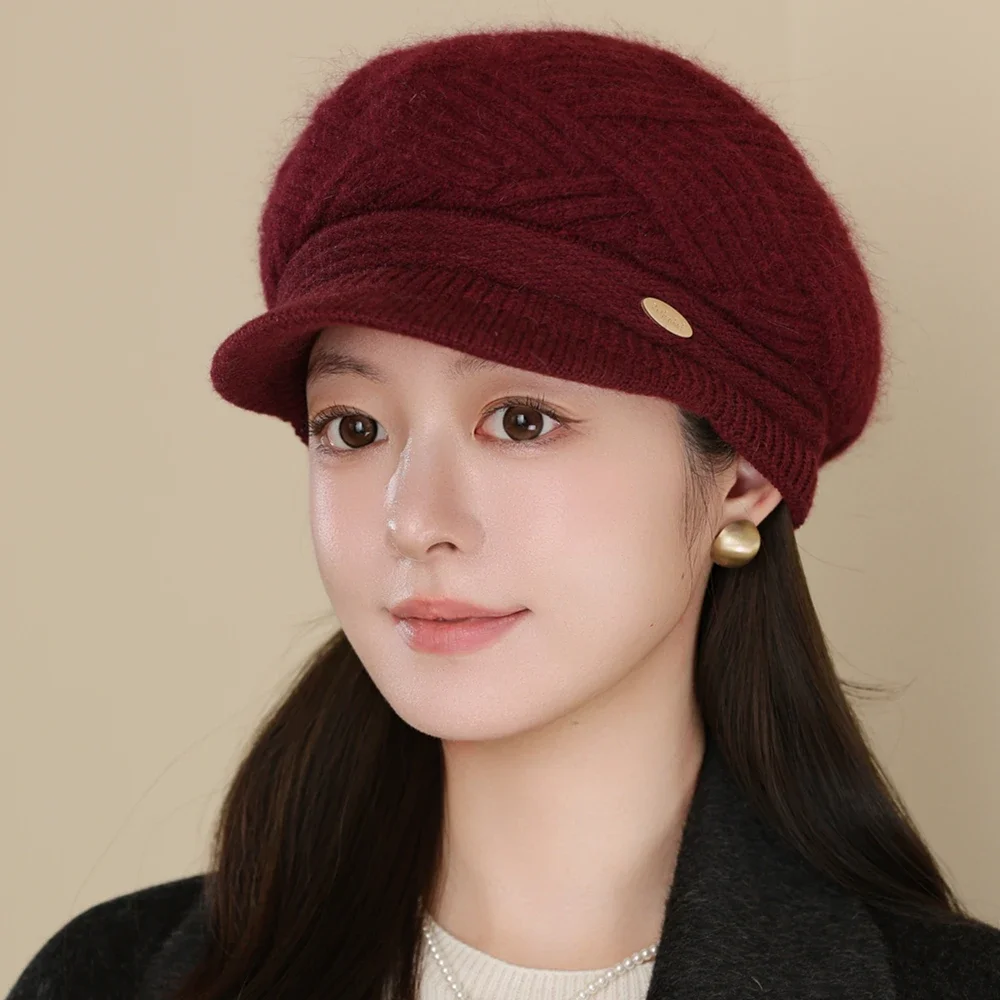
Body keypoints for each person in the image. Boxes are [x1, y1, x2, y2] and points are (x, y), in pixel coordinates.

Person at [7, 24, 1000, 1000]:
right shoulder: (110, 976)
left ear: (741, 476)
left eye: (522, 420)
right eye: (353, 427)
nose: (413, 519)